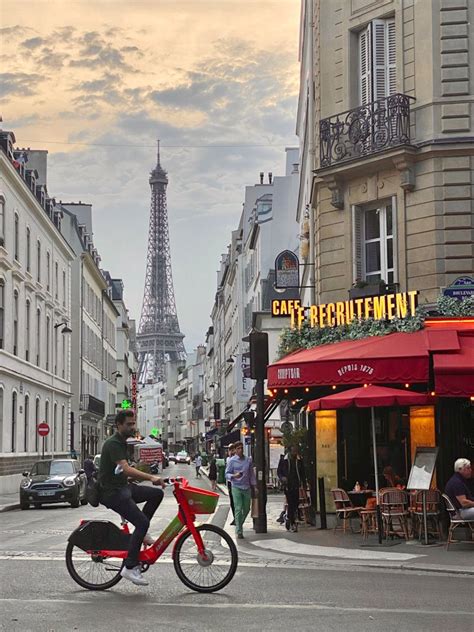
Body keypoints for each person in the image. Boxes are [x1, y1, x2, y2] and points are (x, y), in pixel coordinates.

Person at [98, 410, 165, 587]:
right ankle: (129, 566)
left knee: (157, 494)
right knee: (142, 523)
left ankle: (141, 535)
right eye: (129, 424)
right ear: (119, 425)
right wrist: (150, 478)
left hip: (122, 487)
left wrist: (130, 477)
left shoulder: (122, 442)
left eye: (133, 423)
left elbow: (119, 471)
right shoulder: (113, 443)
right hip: (112, 493)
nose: (132, 427)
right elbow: (125, 468)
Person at [225, 441, 256, 539]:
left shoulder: (248, 460)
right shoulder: (232, 461)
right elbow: (226, 474)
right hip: (236, 487)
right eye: (238, 448)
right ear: (235, 450)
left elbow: (251, 474)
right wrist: (234, 475)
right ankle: (239, 530)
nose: (240, 450)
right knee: (238, 508)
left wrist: (254, 486)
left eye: (241, 448)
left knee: (247, 508)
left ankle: (239, 524)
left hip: (246, 487)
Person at [277, 445, 306, 532]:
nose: (295, 453)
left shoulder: (299, 460)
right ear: (290, 451)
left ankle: (289, 518)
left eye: (296, 451)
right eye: (293, 451)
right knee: (290, 503)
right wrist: (282, 478)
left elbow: (302, 472)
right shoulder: (284, 460)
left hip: (296, 484)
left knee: (296, 502)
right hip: (288, 485)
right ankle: (292, 521)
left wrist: (304, 483)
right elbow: (279, 471)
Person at [226, 443, 236, 526]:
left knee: (237, 502)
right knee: (232, 501)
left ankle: (237, 518)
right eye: (230, 450)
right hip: (230, 482)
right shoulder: (228, 459)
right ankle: (235, 517)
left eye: (232, 450)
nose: (231, 451)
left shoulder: (235, 459)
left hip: (236, 482)